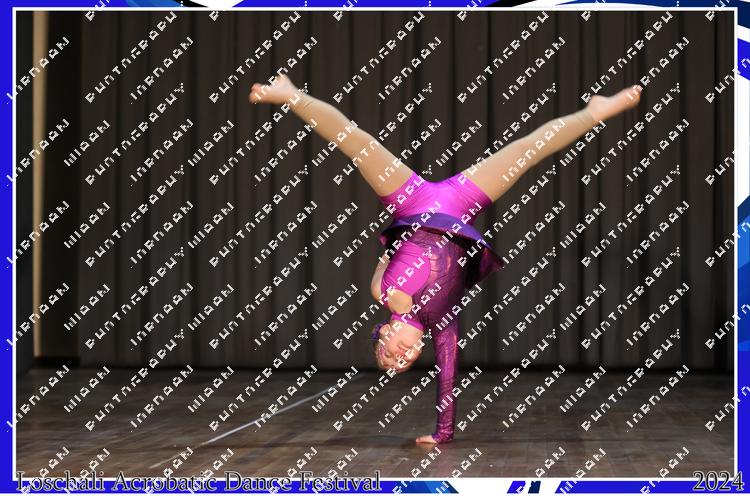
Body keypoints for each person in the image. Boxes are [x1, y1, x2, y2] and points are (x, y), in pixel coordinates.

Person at [249, 74, 642, 444]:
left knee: (356, 142)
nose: (404, 355)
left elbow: (390, 259)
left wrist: (393, 287)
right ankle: (594, 113)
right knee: (526, 151)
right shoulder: (442, 324)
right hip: (458, 206)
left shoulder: (386, 296)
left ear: (385, 334)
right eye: (406, 361)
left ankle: (290, 94)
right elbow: (447, 379)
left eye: (392, 354)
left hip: (412, 201)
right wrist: (443, 433)